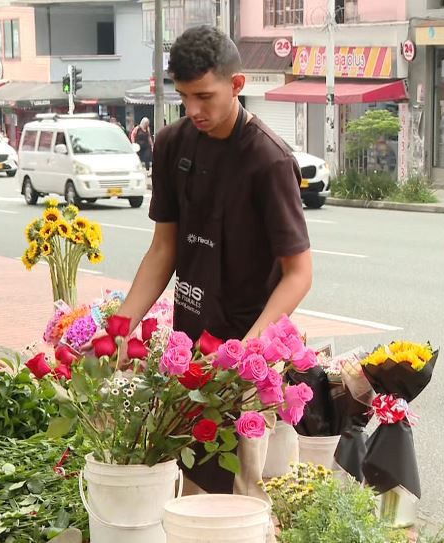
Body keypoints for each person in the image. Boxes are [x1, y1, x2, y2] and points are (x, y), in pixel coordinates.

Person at [114, 25, 313, 505]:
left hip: (248, 349)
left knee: (242, 492)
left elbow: (299, 273)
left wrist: (249, 351)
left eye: (205, 96)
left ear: (237, 85)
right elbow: (164, 248)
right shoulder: (171, 144)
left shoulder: (267, 160)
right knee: (187, 481)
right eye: (183, 97)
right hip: (190, 344)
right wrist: (120, 327)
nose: (194, 110)